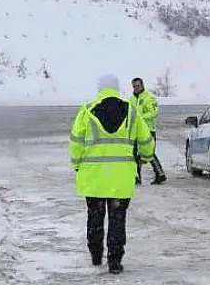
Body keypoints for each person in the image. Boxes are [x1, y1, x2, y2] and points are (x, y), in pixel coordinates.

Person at [69, 74, 155, 274]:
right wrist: (145, 157)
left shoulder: (86, 111)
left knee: (95, 216)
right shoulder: (132, 112)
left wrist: (77, 164)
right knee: (117, 219)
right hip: (121, 178)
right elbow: (146, 140)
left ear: (99, 89)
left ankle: (96, 254)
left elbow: (75, 141)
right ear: (117, 88)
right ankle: (115, 260)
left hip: (93, 177)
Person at [129, 77, 166, 185]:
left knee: (149, 153)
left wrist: (139, 117)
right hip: (136, 131)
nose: (136, 88)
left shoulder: (149, 98)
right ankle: (136, 177)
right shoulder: (131, 99)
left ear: (142, 85)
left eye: (138, 86)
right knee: (134, 153)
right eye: (134, 86)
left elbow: (153, 113)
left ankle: (160, 174)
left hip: (148, 130)